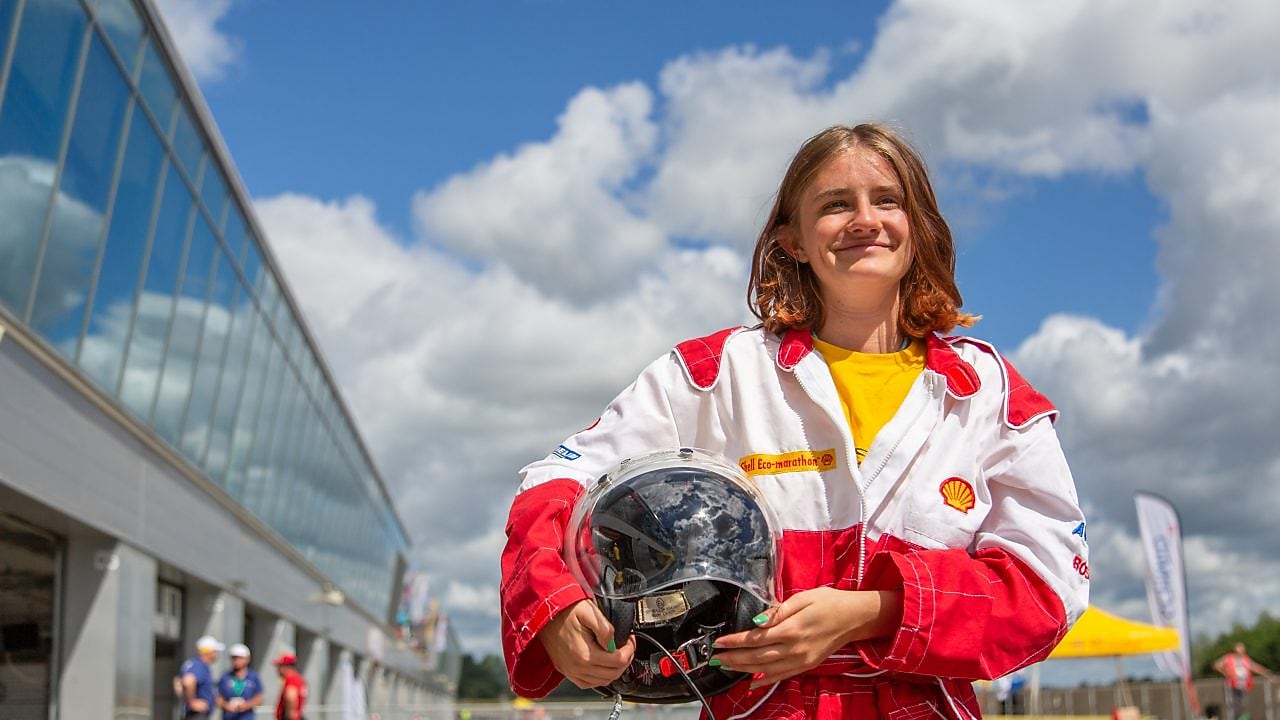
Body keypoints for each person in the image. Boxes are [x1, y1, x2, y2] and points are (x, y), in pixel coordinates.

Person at [499, 122, 1089, 719]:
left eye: (887, 200)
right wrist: (554, 606)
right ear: (794, 240)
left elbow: (1048, 588)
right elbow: (555, 483)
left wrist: (873, 613)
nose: (865, 220)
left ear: (919, 227)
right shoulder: (715, 373)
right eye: (835, 205)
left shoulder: (990, 393)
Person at [1213, 642, 1274, 720]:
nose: (1242, 651)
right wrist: (1225, 673)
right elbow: (1216, 665)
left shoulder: (1245, 659)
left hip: (1243, 685)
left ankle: (1240, 717)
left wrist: (1266, 673)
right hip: (1232, 684)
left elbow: (1255, 667)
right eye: (1240, 649)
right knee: (1234, 704)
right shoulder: (1228, 658)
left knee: (1243, 703)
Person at [178, 635, 224, 719]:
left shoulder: (193, 664)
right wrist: (191, 702)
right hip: (196, 715)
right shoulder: (199, 665)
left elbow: (178, 683)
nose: (216, 654)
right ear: (208, 652)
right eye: (215, 651)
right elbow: (188, 681)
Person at [217, 643, 264, 720]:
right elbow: (218, 698)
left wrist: (247, 705)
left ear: (247, 659)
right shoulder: (225, 677)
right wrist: (225, 705)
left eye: (240, 658)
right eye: (234, 658)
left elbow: (259, 698)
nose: (237, 661)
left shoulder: (253, 677)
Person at [273, 651, 308, 720]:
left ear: (287, 666)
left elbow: (291, 698)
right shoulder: (299, 679)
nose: (277, 669)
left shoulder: (291, 680)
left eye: (279, 666)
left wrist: (289, 715)